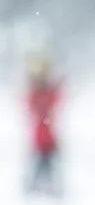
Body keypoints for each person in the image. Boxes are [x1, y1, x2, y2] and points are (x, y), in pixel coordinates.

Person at [25, 52, 62, 196]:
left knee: (49, 166)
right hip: (39, 140)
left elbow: (56, 100)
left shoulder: (48, 93)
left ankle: (47, 188)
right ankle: (32, 188)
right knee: (38, 165)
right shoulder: (35, 94)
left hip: (49, 139)